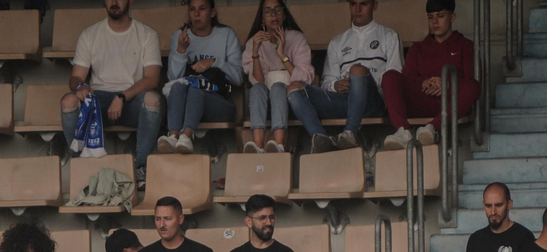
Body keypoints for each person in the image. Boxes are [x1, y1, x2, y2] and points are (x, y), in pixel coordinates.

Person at [61, 0, 163, 186]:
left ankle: (141, 168)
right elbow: (75, 77)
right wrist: (81, 86)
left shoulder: (147, 34)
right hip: (99, 101)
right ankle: (80, 166)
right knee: (69, 101)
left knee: (152, 100)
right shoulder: (89, 34)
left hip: (132, 100)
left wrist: (122, 96)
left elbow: (152, 79)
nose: (114, 2)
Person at [287, 0, 400, 154]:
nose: (358, 9)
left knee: (357, 70)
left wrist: (358, 81)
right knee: (294, 87)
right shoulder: (337, 41)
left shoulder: (389, 36)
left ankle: (350, 133)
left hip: (373, 102)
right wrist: (336, 85)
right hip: (343, 101)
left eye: (364, 4)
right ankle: (319, 137)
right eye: (353, 4)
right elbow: (327, 81)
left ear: (375, 5)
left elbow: (395, 76)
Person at [382, 0, 477, 149]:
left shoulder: (466, 45)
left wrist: (447, 84)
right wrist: (424, 82)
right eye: (430, 17)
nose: (435, 22)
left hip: (450, 103)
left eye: (440, 16)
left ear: (452, 17)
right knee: (390, 76)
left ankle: (432, 128)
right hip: (421, 100)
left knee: (474, 86)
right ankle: (402, 131)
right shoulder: (417, 48)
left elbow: (471, 80)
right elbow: (407, 80)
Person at [158, 0, 241, 154]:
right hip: (185, 105)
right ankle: (173, 136)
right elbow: (173, 78)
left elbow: (238, 78)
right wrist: (181, 50)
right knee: (178, 86)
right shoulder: (180, 36)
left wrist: (214, 62)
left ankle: (186, 136)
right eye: (192, 9)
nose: (196, 14)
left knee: (196, 89)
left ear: (212, 12)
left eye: (202, 9)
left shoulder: (226, 34)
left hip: (220, 104)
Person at [240, 0, 312, 153]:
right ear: (262, 18)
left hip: (293, 104)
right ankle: (258, 146)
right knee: (257, 88)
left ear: (284, 14)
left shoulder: (297, 38)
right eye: (267, 11)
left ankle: (279, 145)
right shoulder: (254, 42)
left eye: (277, 9)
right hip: (265, 107)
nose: (273, 14)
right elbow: (258, 81)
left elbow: (305, 78)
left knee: (278, 87)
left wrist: (282, 54)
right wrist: (255, 52)